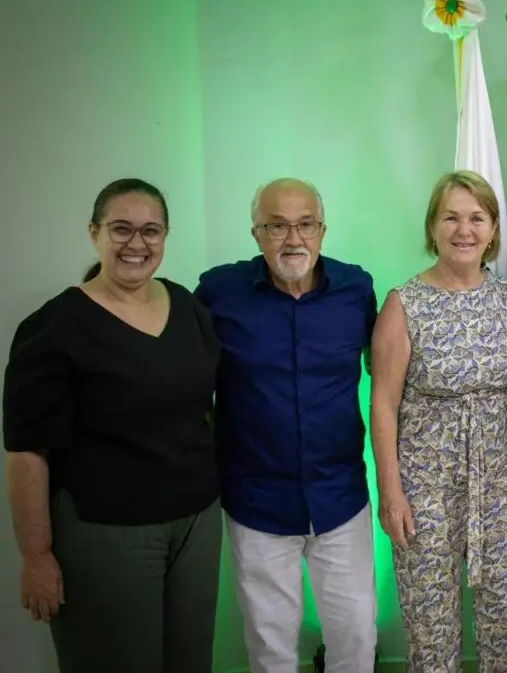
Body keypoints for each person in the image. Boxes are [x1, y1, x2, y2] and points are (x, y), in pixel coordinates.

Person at [3, 178, 222, 673]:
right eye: (121, 229)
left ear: (165, 237)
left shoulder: (188, 308)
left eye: (151, 231)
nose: (137, 244)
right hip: (105, 532)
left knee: (191, 662)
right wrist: (36, 557)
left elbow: (203, 407)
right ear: (94, 233)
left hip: (197, 523)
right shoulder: (54, 328)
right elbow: (25, 451)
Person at [194, 178, 377, 673]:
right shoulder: (217, 292)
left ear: (322, 230)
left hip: (339, 496)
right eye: (277, 225)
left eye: (305, 224)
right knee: (270, 645)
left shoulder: (357, 289)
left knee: (357, 635)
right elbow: (187, 383)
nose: (293, 238)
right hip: (257, 501)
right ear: (256, 234)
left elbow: (385, 379)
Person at [370, 170, 507, 673]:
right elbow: (382, 403)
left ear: (492, 230)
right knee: (431, 620)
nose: (464, 229)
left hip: (499, 477)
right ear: (433, 227)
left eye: (476, 218)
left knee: (506, 612)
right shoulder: (405, 302)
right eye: (452, 217)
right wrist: (391, 492)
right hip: (426, 480)